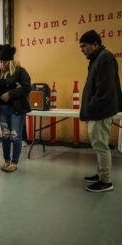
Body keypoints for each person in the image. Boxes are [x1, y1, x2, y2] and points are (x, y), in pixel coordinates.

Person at [79, 30, 122, 192]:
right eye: (81, 47)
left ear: (95, 44)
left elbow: (105, 89)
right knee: (98, 145)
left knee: (101, 146)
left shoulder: (105, 58)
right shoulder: (98, 58)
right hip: (97, 111)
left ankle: (105, 181)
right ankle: (100, 174)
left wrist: (91, 107)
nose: (82, 50)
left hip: (101, 112)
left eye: (84, 46)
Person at [0, 44, 31, 172]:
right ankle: (6, 161)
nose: (2, 64)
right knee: (5, 135)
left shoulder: (20, 71)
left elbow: (27, 88)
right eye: (1, 61)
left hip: (16, 109)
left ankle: (14, 162)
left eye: (5, 61)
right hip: (2, 110)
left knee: (15, 135)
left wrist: (10, 94)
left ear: (11, 61)